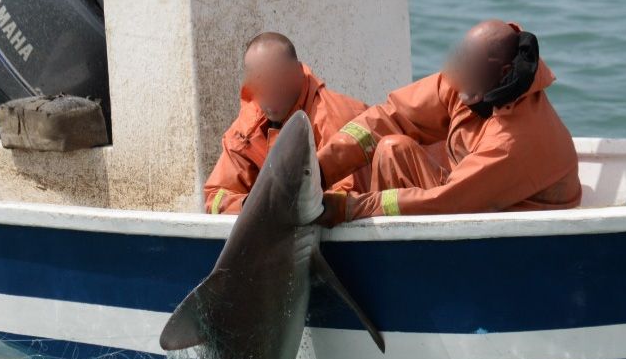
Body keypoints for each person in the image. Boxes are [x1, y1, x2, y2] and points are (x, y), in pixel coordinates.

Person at [316, 19, 581, 225]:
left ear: (503, 73)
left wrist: (349, 208)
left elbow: (449, 201)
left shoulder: (513, 140)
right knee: (392, 148)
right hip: (467, 195)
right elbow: (391, 116)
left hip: (518, 225)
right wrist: (320, 170)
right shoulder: (468, 80)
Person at [204, 32, 369, 214]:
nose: (270, 93)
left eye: (278, 80)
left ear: (298, 72)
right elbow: (215, 197)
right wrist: (250, 204)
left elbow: (343, 202)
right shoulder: (247, 129)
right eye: (261, 83)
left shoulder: (333, 118)